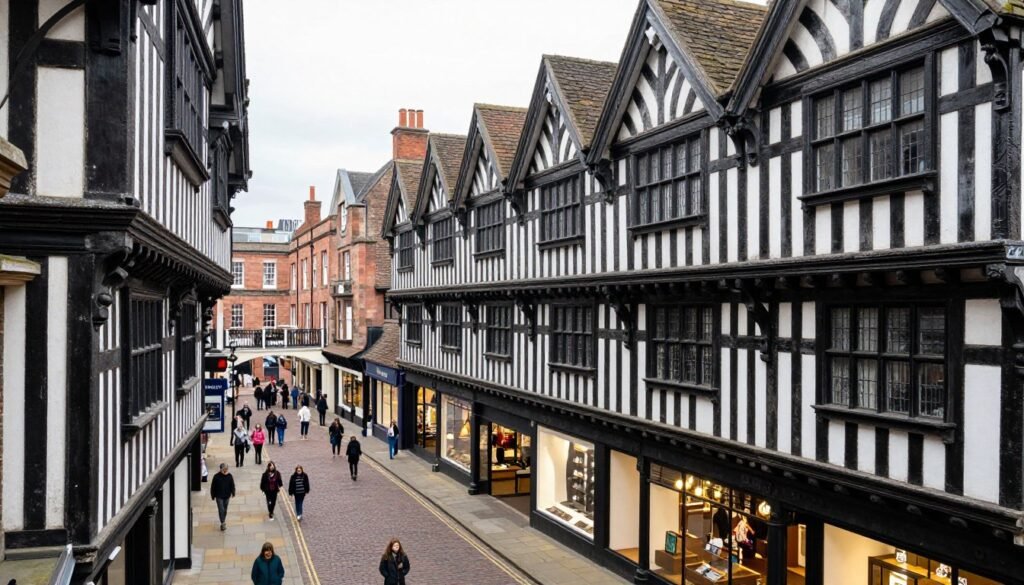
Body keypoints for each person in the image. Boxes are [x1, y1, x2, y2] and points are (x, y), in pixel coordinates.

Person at [210, 463, 235, 531]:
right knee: (221, 509)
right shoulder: (216, 477)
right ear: (221, 469)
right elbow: (213, 487)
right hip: (219, 496)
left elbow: (232, 485)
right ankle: (223, 523)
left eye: (226, 469)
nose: (225, 470)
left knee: (225, 510)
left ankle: (223, 520)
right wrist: (212, 495)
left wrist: (233, 492)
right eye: (224, 469)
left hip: (227, 496)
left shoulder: (229, 476)